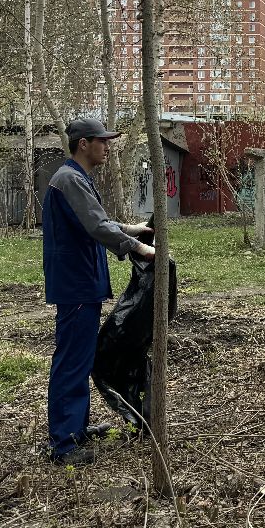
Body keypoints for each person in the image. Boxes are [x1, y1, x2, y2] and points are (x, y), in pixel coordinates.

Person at [42, 118, 155, 467]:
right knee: (72, 362)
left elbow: (96, 219)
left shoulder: (76, 178)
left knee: (79, 358)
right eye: (102, 141)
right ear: (84, 144)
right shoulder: (69, 179)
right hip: (75, 285)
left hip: (81, 284)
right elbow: (96, 225)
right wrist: (139, 247)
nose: (107, 147)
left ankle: (75, 429)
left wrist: (130, 228)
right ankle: (64, 444)